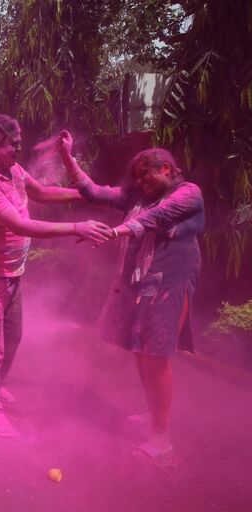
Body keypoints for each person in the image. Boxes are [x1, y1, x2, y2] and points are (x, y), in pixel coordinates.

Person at [58, 131, 203, 459]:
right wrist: (67, 155)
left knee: (156, 357)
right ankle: (154, 415)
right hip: (141, 285)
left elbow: (157, 218)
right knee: (142, 353)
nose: (141, 183)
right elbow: (93, 191)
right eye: (137, 178)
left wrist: (115, 232)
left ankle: (162, 435)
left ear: (166, 169)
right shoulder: (139, 197)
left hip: (170, 286)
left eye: (146, 175)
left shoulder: (189, 193)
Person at [0, 113, 111, 437]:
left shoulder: (12, 170)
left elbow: (42, 192)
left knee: (13, 337)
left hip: (12, 272)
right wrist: (77, 228)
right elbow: (21, 225)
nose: (19, 149)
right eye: (13, 145)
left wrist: (92, 194)